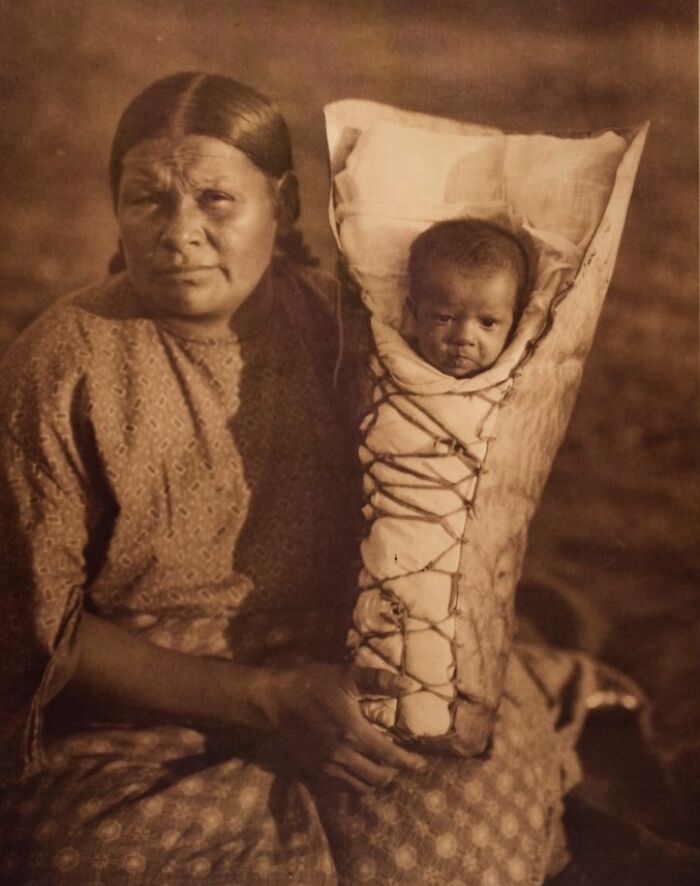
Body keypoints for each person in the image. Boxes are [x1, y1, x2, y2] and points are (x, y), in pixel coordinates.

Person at [0, 72, 586, 885]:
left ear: (284, 204)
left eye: (216, 199)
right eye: (147, 200)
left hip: (362, 684)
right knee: (85, 860)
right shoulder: (63, 363)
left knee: (463, 841)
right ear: (116, 207)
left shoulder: (356, 339)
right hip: (150, 713)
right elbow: (41, 628)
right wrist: (266, 698)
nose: (180, 233)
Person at [407, 218, 532, 378]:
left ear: (515, 322)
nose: (464, 338)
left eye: (487, 322)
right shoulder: (391, 361)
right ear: (414, 314)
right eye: (444, 318)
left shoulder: (517, 378)